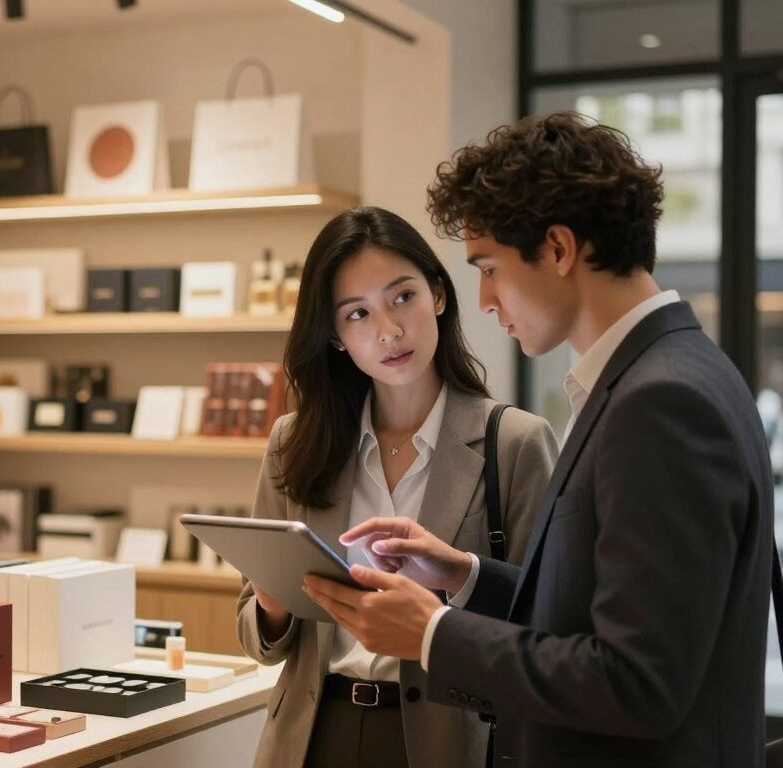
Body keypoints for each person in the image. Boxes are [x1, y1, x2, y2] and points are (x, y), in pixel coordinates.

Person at [303, 112, 774, 767]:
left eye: (489, 267)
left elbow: (638, 681)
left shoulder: (661, 401)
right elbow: (600, 607)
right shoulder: (665, 373)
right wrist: (466, 575)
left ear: (557, 249)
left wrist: (433, 633)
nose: (486, 300)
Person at [236, 206, 559, 768]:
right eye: (357, 313)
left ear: (438, 294)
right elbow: (256, 638)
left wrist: (451, 592)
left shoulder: (515, 442)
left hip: (449, 740)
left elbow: (549, 626)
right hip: (312, 735)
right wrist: (272, 603)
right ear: (335, 337)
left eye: (402, 297)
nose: (387, 329)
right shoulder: (296, 442)